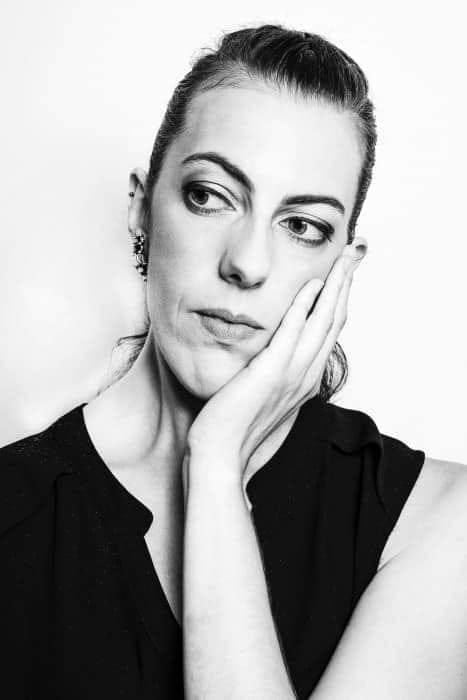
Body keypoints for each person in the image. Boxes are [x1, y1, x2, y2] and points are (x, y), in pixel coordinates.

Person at [1, 23, 466, 700]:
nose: (246, 263)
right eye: (210, 196)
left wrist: (216, 465)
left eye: (302, 226)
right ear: (142, 208)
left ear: (343, 265)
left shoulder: (438, 521)